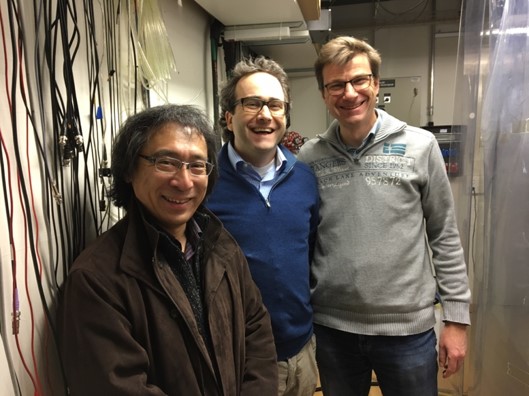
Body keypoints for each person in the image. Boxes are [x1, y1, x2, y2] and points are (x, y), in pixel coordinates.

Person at [58, 104, 278, 395]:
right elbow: (115, 386)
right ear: (128, 169)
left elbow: (256, 331)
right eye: (166, 162)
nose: (184, 181)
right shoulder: (96, 279)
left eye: (197, 165)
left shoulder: (220, 245)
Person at [297, 36, 471, 396]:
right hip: (333, 330)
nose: (349, 93)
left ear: (375, 84)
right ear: (323, 93)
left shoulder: (420, 146)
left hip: (407, 331)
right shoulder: (309, 158)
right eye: (336, 84)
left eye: (359, 80)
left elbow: (444, 234)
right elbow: (305, 238)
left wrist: (456, 319)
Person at [206, 57, 320, 396]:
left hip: (301, 351)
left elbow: (310, 254)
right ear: (229, 117)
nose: (265, 115)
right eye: (252, 103)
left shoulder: (305, 179)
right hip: (239, 358)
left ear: (285, 116)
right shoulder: (204, 183)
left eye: (275, 105)